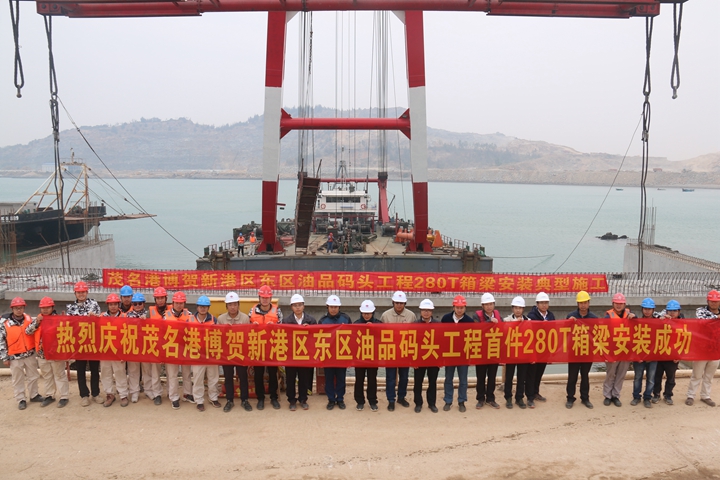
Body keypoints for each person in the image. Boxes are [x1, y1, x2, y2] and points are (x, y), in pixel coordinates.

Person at [25, 296, 69, 408]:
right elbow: (28, 331)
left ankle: (64, 396)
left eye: (47, 307)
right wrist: (37, 322)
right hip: (42, 354)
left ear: (52, 307)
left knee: (59, 375)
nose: (45, 310)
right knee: (47, 375)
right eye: (43, 308)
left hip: (55, 353)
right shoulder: (38, 320)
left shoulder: (58, 319)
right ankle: (50, 395)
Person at [1, 297, 42, 410]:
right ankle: (21, 399)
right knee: (18, 379)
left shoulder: (28, 318)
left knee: (33, 376)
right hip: (14, 356)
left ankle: (34, 395)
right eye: (16, 308)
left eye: (21, 308)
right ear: (12, 309)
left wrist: (37, 322)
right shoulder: (5, 323)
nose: (19, 310)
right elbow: (1, 341)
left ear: (24, 308)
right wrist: (4, 357)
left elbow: (30, 331)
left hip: (29, 354)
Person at [66, 281, 102, 407]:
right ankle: (84, 395)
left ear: (87, 292)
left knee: (94, 369)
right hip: (79, 343)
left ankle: (96, 393)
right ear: (75, 293)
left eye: (83, 292)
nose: (81, 294)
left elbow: (100, 321)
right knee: (80, 370)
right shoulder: (70, 308)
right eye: (79, 292)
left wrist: (95, 317)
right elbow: (69, 325)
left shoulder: (94, 304)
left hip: (92, 342)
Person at [381, 290, 416, 411]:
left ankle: (401, 397)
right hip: (390, 351)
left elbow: (415, 334)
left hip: (405, 351)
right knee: (390, 377)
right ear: (393, 302)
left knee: (404, 377)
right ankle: (391, 400)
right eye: (397, 303)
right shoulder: (385, 316)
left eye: (401, 303)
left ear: (405, 303)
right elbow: (380, 334)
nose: (399, 305)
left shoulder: (411, 316)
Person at [217, 292, 252, 413]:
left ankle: (244, 400)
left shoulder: (245, 318)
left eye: (235, 304)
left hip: (241, 353)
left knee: (243, 377)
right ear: (226, 306)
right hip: (227, 354)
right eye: (230, 304)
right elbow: (217, 337)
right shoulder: (221, 319)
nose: (232, 307)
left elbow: (248, 336)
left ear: (238, 305)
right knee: (228, 377)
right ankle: (229, 400)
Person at [249, 285, 283, 410]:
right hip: (257, 346)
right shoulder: (252, 310)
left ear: (270, 298)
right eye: (263, 297)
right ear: (259, 298)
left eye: (267, 297)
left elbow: (283, 327)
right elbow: (246, 328)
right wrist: (252, 326)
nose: (265, 300)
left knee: (273, 373)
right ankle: (261, 398)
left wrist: (274, 326)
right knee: (258, 374)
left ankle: (274, 397)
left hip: (272, 346)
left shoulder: (277, 311)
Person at [282, 294, 317, 411]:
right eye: (295, 305)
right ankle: (291, 400)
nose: (297, 307)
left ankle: (303, 399)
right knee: (290, 378)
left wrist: (310, 329)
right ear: (291, 307)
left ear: (304, 306)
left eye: (300, 305)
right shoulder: (286, 321)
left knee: (304, 378)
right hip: (291, 355)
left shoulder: (311, 320)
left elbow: (316, 336)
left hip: (305, 355)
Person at [686, 291, 720, 407]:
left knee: (709, 376)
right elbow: (702, 321)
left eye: (716, 301)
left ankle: (706, 396)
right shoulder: (701, 311)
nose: (714, 303)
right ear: (707, 301)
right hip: (701, 349)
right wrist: (717, 318)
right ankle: (691, 395)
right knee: (697, 374)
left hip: (716, 350)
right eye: (712, 301)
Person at [127, 293, 162, 406]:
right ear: (132, 304)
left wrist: (146, 320)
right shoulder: (127, 316)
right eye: (135, 304)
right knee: (133, 370)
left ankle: (148, 389)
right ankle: (134, 391)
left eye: (140, 303)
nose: (137, 306)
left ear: (144, 304)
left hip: (147, 346)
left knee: (147, 369)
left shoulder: (149, 314)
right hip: (133, 346)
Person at [442, 295, 475, 412]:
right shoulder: (446, 319)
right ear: (453, 307)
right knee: (448, 378)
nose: (459, 310)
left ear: (465, 308)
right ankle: (448, 400)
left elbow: (472, 340)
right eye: (457, 307)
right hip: (449, 354)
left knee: (463, 380)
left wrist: (471, 356)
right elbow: (441, 337)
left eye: (461, 308)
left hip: (463, 355)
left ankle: (461, 401)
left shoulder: (469, 321)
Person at [318, 295, 351, 410]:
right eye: (331, 307)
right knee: (329, 378)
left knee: (341, 378)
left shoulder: (346, 319)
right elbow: (318, 337)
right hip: (328, 355)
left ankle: (340, 399)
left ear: (339, 307)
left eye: (335, 307)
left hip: (342, 354)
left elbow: (352, 335)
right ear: (327, 307)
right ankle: (331, 399)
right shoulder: (322, 321)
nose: (333, 309)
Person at [602, 293, 635, 407]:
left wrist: (634, 317)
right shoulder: (608, 316)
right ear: (613, 304)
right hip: (612, 350)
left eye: (621, 303)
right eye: (616, 303)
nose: (619, 305)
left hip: (625, 350)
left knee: (621, 374)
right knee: (610, 373)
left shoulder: (630, 315)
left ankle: (615, 395)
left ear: (624, 304)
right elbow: (604, 333)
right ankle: (607, 395)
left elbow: (638, 327)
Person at [565, 290, 596, 409]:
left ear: (589, 303)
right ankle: (570, 398)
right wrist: (569, 323)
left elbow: (598, 335)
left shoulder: (593, 318)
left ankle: (585, 398)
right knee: (572, 376)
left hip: (587, 352)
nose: (583, 305)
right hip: (574, 351)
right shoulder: (571, 316)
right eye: (581, 303)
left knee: (585, 376)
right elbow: (564, 332)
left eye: (585, 302)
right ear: (577, 304)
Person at [164, 291, 195, 409]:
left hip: (185, 348)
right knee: (172, 374)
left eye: (181, 303)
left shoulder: (189, 315)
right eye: (177, 303)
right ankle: (174, 397)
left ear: (184, 303)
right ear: (172, 303)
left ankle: (187, 393)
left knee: (187, 373)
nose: (179, 305)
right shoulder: (166, 316)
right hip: (171, 348)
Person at [99, 294, 129, 407]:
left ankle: (123, 395)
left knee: (120, 372)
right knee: (105, 372)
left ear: (118, 305)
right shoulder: (101, 317)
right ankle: (109, 394)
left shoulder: (125, 317)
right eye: (111, 304)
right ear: (107, 305)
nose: (113, 306)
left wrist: (125, 352)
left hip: (118, 350)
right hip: (105, 350)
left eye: (115, 304)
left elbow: (129, 334)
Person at [653, 299, 684, 405]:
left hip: (673, 355)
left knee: (671, 378)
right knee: (657, 376)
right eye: (670, 311)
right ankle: (656, 394)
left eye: (675, 311)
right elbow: (653, 315)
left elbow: (684, 341)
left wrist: (679, 355)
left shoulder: (683, 323)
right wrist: (661, 318)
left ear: (679, 312)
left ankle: (668, 395)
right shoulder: (662, 319)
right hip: (660, 353)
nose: (672, 313)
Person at [526, 292, 555, 407]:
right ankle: (529, 397)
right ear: (537, 304)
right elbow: (529, 331)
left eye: (546, 303)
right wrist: (542, 325)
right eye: (541, 303)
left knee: (539, 373)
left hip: (544, 349)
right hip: (534, 349)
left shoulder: (551, 316)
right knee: (531, 373)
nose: (544, 305)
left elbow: (554, 332)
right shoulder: (531, 316)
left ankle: (535, 392)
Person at [192, 296, 220, 412]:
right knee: (198, 378)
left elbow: (219, 335)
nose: (203, 308)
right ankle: (199, 400)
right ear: (197, 307)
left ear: (208, 308)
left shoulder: (214, 320)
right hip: (197, 354)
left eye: (205, 306)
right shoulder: (190, 320)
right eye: (201, 306)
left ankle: (213, 397)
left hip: (211, 354)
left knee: (213, 377)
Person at [475, 292, 502, 410]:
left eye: (491, 304)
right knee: (480, 376)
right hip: (481, 350)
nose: (489, 306)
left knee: (492, 376)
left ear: (494, 304)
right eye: (486, 304)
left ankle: (490, 398)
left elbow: (503, 328)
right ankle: (480, 398)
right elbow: (476, 328)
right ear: (482, 306)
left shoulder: (498, 315)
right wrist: (489, 322)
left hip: (493, 350)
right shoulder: (476, 316)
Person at [354, 299, 381, 412]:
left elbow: (383, 338)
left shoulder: (379, 324)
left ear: (373, 312)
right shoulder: (355, 324)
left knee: (372, 379)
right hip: (360, 357)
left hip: (373, 357)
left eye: (368, 313)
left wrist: (374, 328)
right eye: (364, 313)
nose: (366, 315)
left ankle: (372, 401)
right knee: (359, 379)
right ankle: (360, 401)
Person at [631, 298, 659, 408]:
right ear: (642, 309)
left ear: (653, 310)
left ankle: (647, 397)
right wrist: (636, 355)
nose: (647, 311)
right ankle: (636, 397)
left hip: (653, 356)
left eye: (649, 309)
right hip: (639, 355)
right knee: (638, 377)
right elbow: (632, 340)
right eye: (645, 309)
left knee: (651, 379)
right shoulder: (636, 322)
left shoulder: (658, 323)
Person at [413, 299, 440, 413]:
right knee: (418, 382)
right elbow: (411, 342)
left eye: (428, 310)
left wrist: (441, 360)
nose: (426, 312)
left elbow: (442, 343)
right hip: (419, 358)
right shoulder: (415, 325)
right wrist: (413, 360)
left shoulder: (438, 325)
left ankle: (432, 403)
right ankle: (418, 403)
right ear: (420, 311)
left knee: (432, 382)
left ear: (432, 312)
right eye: (424, 310)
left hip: (433, 357)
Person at [503, 296, 529, 409]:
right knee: (509, 377)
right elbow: (504, 332)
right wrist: (515, 323)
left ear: (523, 309)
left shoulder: (528, 321)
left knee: (521, 377)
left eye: (520, 308)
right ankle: (508, 397)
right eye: (516, 308)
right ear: (512, 308)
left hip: (523, 353)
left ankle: (519, 397)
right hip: (511, 353)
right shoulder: (506, 320)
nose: (518, 310)